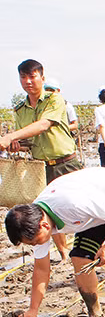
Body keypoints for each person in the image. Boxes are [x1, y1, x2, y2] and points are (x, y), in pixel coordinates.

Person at [4, 167, 105, 317]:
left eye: (34, 242)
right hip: (96, 213)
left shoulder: (72, 204)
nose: (35, 245)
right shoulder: (34, 221)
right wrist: (33, 309)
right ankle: (95, 314)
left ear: (44, 225)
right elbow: (41, 270)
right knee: (79, 257)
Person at [0, 59, 83, 261]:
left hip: (65, 163)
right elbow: (27, 140)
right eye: (23, 77)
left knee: (80, 206)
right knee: (47, 212)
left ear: (42, 78)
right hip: (41, 167)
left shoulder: (55, 100)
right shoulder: (21, 110)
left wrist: (11, 136)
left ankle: (86, 247)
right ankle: (64, 253)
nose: (28, 81)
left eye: (32, 76)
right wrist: (16, 144)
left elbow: (43, 125)